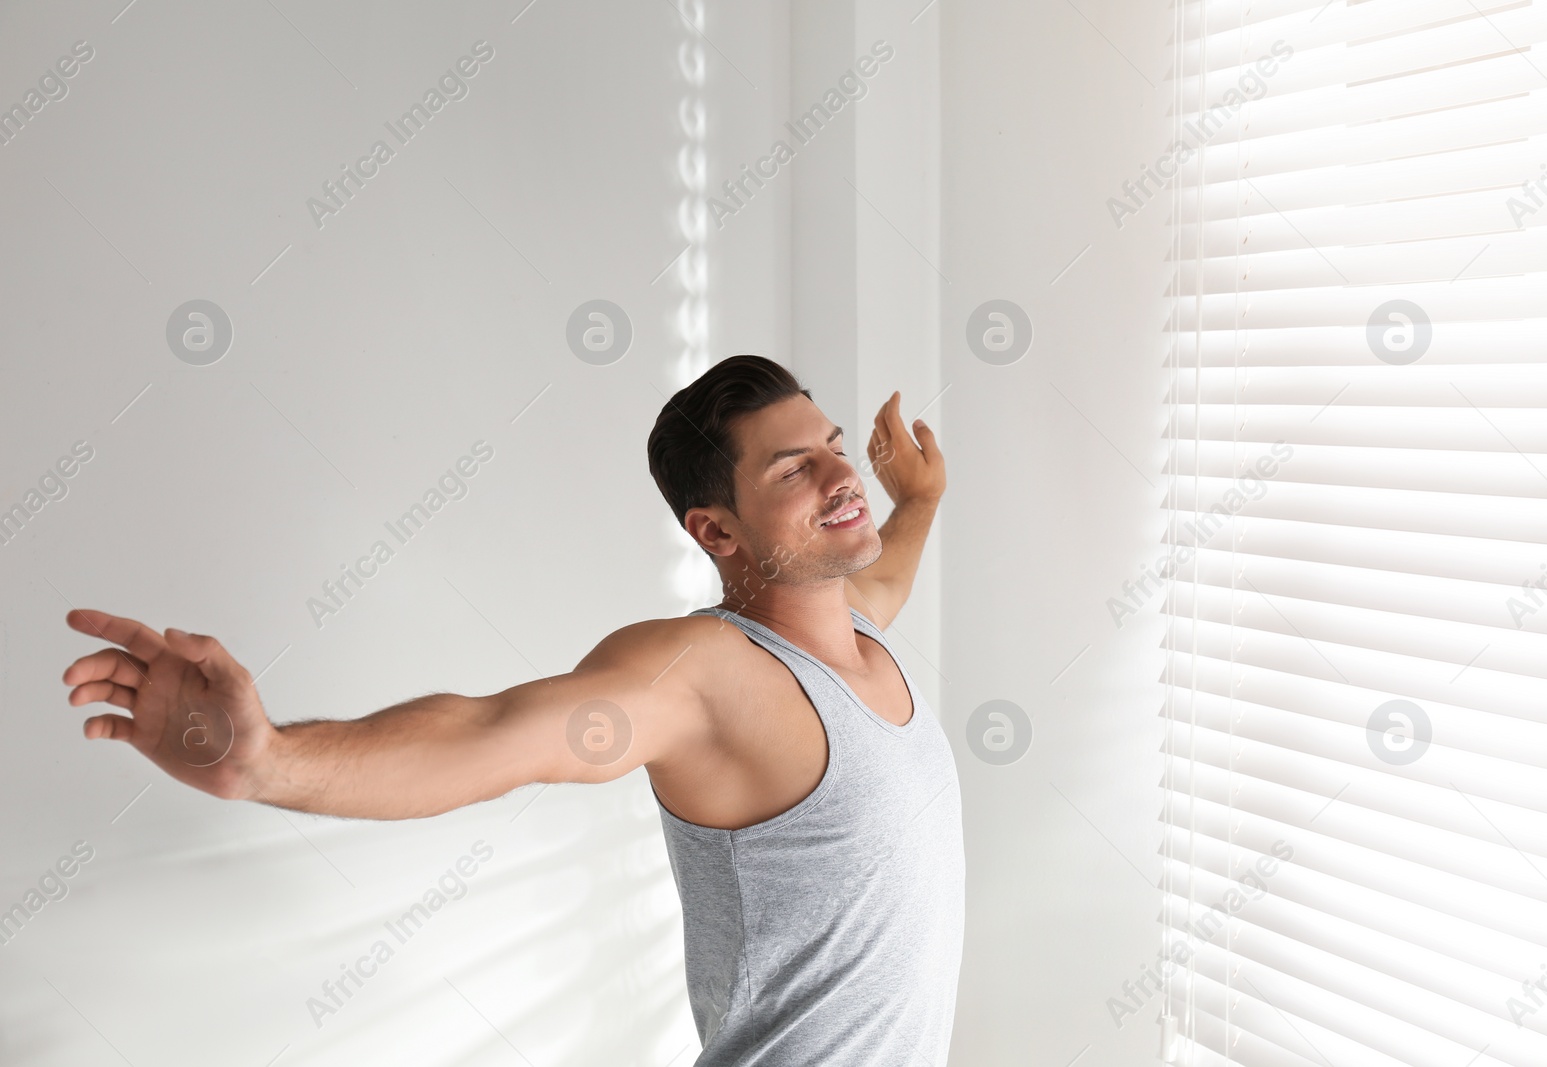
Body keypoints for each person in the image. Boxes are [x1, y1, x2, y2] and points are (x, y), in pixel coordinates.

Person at [60, 354, 964, 1066]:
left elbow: (883, 572)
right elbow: (493, 733)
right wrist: (269, 761)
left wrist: (917, 497)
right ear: (718, 532)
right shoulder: (703, 677)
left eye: (836, 445)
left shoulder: (855, 635)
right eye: (794, 468)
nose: (842, 474)